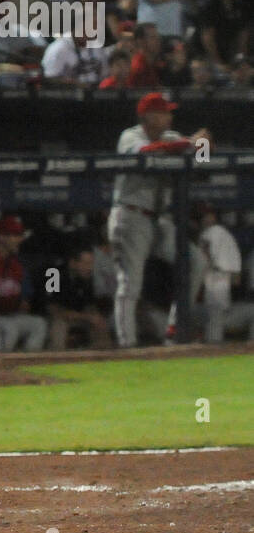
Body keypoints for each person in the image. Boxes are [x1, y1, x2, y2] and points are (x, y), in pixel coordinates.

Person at [109, 93, 212, 347]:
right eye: (164, 112)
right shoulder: (130, 136)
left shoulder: (171, 137)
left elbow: (203, 160)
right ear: (147, 117)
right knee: (131, 283)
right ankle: (127, 345)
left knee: (195, 261)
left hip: (159, 220)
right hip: (130, 215)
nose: (170, 116)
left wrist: (204, 144)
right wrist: (189, 142)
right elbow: (145, 153)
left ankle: (174, 329)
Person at [0, 214, 47, 351]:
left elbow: (26, 297)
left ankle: (27, 367)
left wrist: (23, 301)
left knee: (39, 324)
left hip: (11, 315)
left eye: (20, 235)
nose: (19, 240)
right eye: (15, 235)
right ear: (1, 237)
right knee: (10, 329)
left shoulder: (18, 263)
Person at [194, 203, 254, 343]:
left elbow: (205, 255)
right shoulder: (225, 234)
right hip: (221, 278)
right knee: (216, 315)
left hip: (216, 277)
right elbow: (236, 278)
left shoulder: (213, 231)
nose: (206, 218)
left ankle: (212, 346)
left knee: (215, 315)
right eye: (203, 215)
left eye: (209, 215)